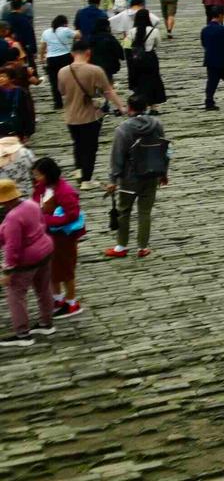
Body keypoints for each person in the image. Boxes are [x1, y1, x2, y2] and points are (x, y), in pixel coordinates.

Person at [101, 98, 168, 259]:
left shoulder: (123, 129)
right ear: (145, 107)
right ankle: (142, 247)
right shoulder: (157, 125)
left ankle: (121, 246)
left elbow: (117, 157)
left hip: (129, 177)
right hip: (151, 174)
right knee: (145, 212)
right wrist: (164, 172)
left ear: (129, 108)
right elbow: (164, 149)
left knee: (124, 211)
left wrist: (113, 180)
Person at [0, 177, 55, 346]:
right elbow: (42, 224)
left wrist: (8, 271)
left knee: (16, 294)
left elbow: (12, 248)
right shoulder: (31, 204)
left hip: (27, 260)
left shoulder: (13, 218)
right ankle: (47, 323)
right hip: (45, 250)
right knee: (44, 288)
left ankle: (22, 334)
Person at [56, 45, 124, 184]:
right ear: (88, 53)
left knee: (78, 144)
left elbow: (62, 91)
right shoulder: (95, 70)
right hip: (90, 115)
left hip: (70, 115)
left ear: (72, 54)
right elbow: (108, 91)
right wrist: (121, 106)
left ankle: (78, 171)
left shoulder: (62, 71)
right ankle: (86, 179)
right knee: (90, 148)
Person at [30, 157, 82, 317]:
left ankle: (71, 302)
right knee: (51, 269)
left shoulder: (65, 191)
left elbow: (72, 215)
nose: (36, 178)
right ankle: (57, 298)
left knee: (65, 269)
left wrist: (46, 219)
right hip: (47, 235)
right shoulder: (41, 187)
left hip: (63, 237)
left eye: (38, 175)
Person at [38, 14, 73, 111]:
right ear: (64, 23)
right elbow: (78, 35)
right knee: (69, 79)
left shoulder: (46, 32)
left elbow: (42, 47)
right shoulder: (65, 30)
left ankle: (58, 103)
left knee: (54, 82)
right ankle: (71, 100)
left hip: (51, 59)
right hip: (65, 57)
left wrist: (41, 58)